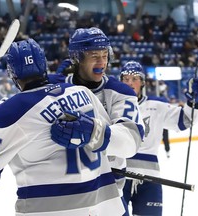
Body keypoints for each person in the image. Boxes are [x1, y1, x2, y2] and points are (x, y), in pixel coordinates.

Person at [0, 38, 125, 215]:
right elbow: (110, 141)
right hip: (105, 206)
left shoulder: (10, 113)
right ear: (44, 64)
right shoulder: (82, 92)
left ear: (12, 73)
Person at [48, 27, 145, 214]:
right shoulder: (54, 89)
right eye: (94, 56)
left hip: (107, 193)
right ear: (77, 58)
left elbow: (131, 143)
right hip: (65, 193)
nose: (102, 62)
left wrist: (93, 132)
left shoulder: (120, 92)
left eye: (104, 55)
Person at [119, 60, 198, 216]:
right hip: (118, 176)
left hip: (150, 178)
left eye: (135, 79)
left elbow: (186, 120)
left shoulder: (157, 105)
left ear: (142, 82)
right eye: (126, 79)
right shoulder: (112, 106)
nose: (130, 83)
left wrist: (193, 101)